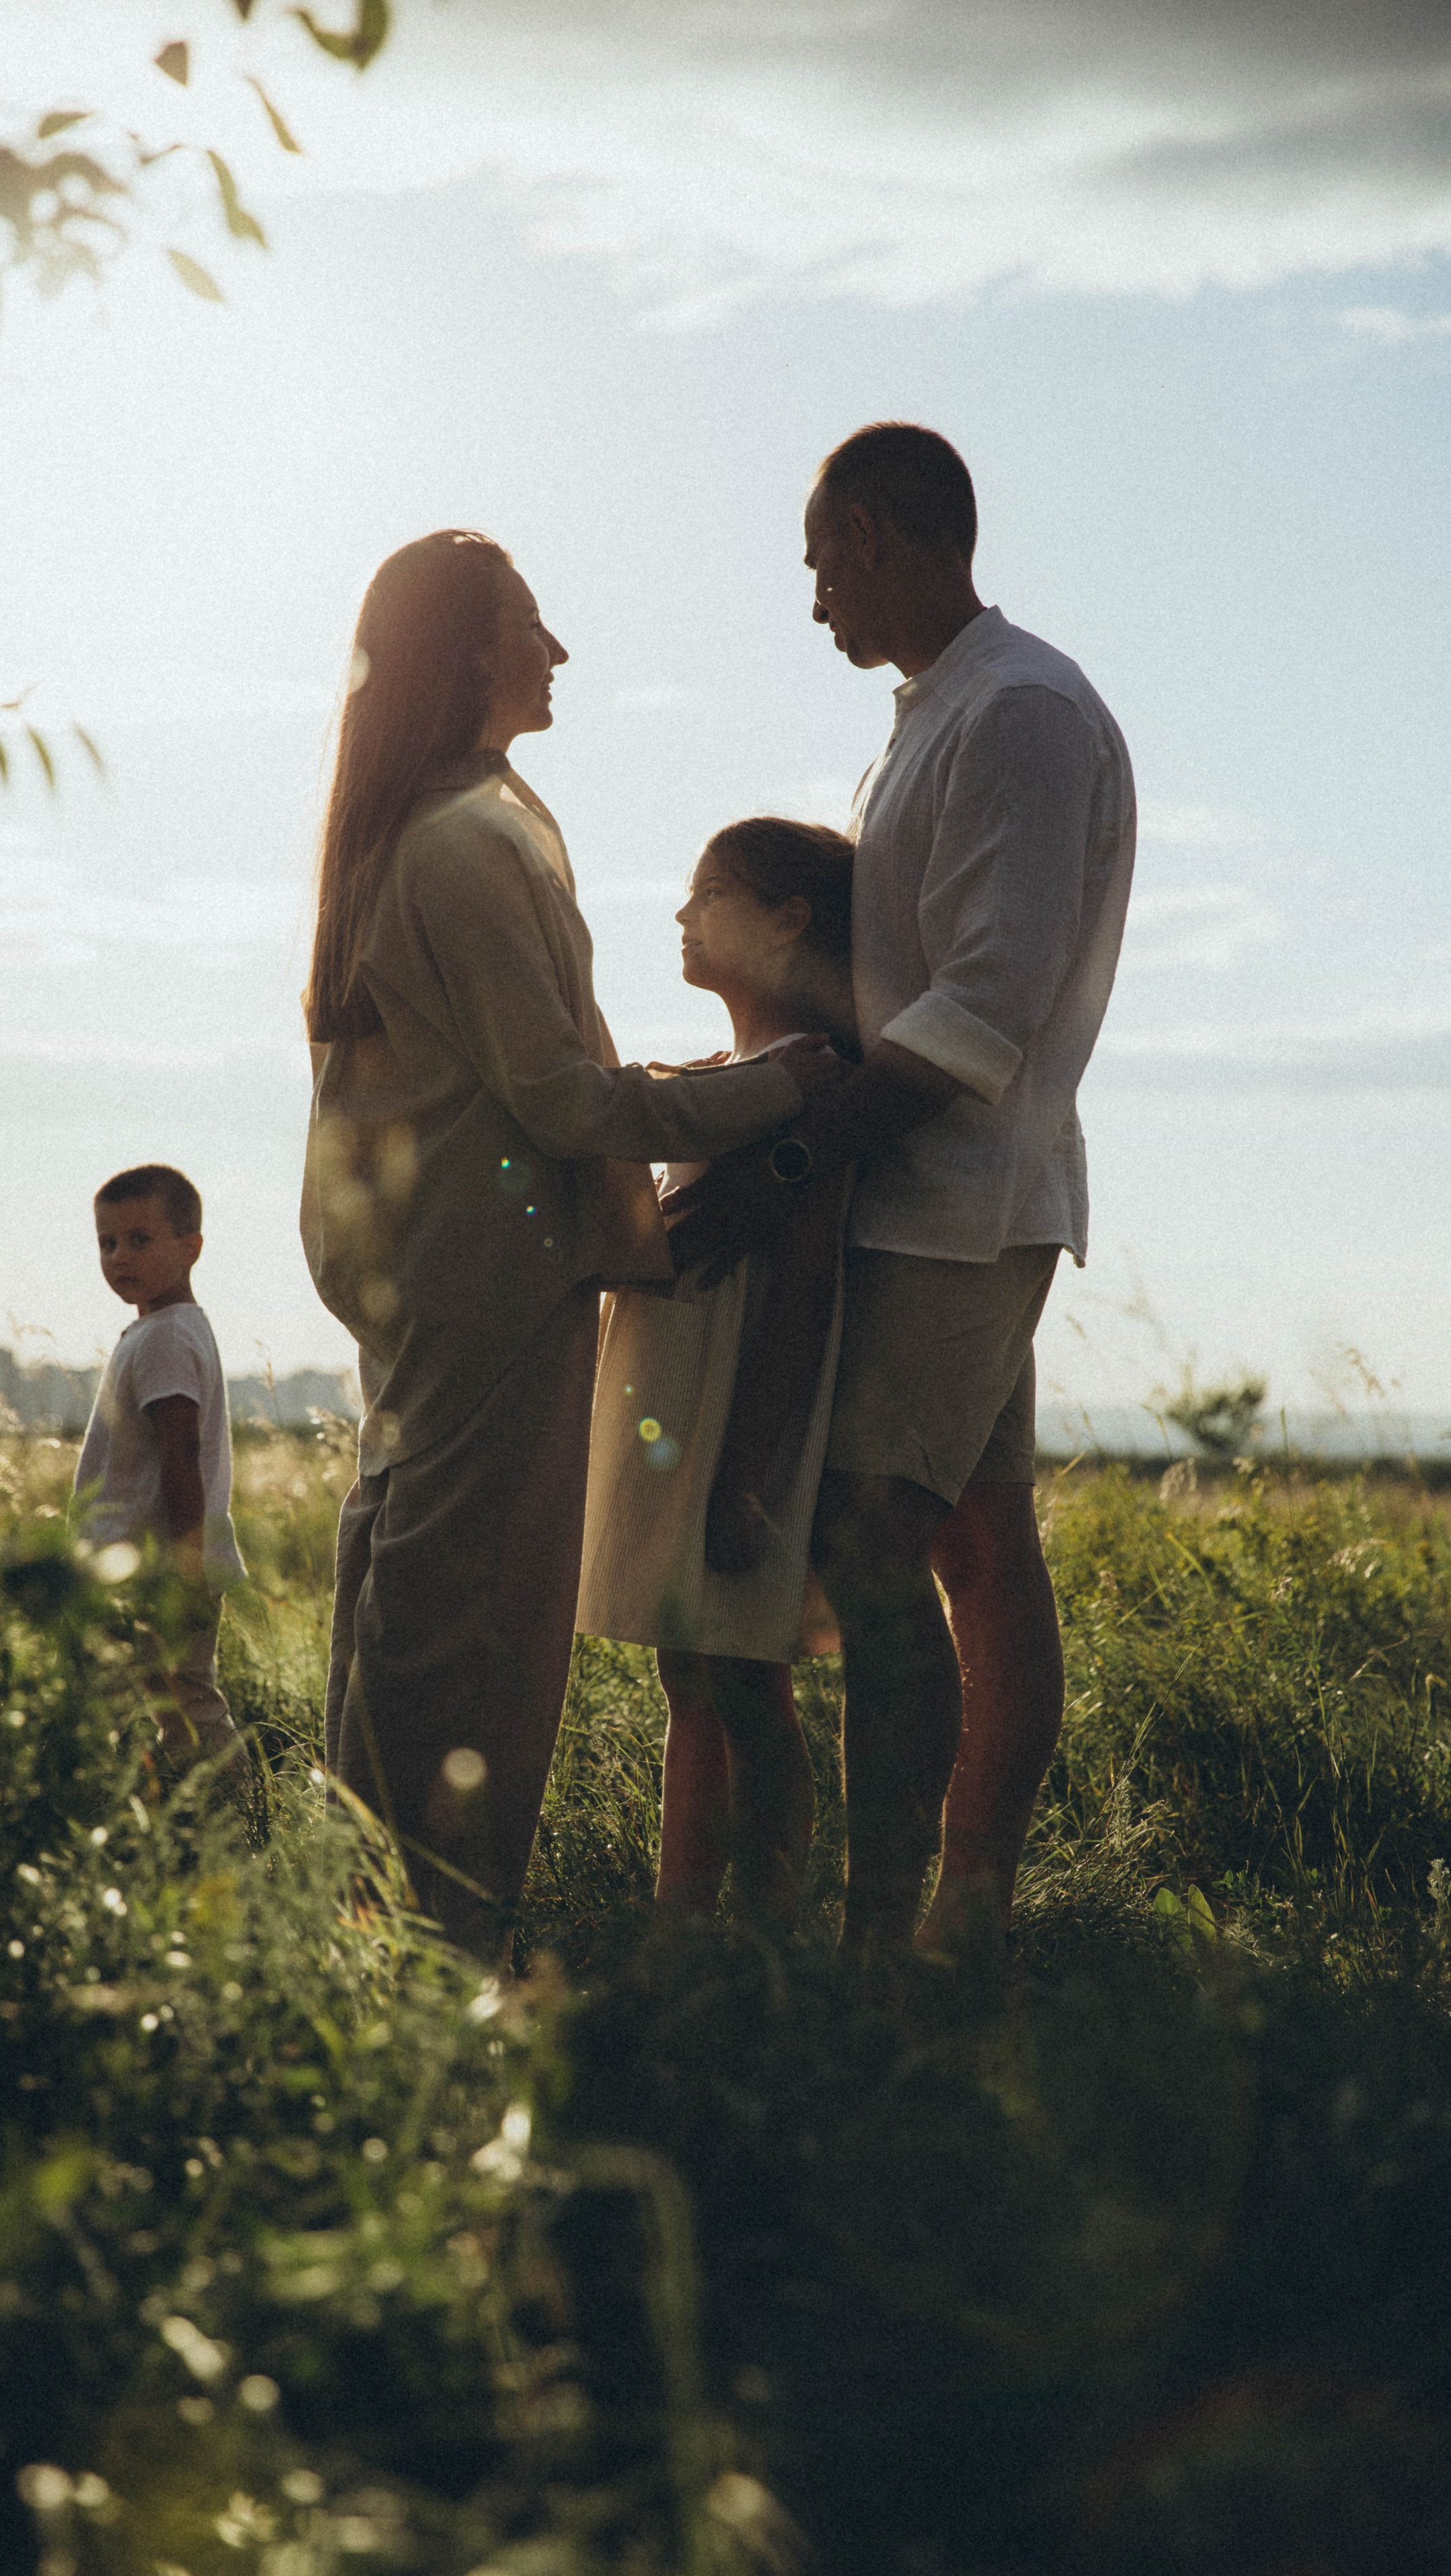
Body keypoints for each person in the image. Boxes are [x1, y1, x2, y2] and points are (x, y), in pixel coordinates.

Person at [301, 530, 843, 1960]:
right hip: (485, 1274)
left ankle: (373, 1931)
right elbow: (559, 1096)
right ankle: (430, 1947)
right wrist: (778, 1090)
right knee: (473, 1628)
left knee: (411, 1598)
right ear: (467, 651)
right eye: (530, 625)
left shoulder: (438, 824)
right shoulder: (468, 839)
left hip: (429, 1269)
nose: (556, 651)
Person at [668, 423, 1136, 1961]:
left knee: (874, 1552)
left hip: (959, 1202)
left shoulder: (1017, 710)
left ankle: (888, 1940)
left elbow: (985, 1002)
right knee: (977, 1550)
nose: (813, 597)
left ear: (871, 535)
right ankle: (959, 1913)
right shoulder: (929, 721)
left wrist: (793, 1158)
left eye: (819, 563)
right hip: (915, 1193)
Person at [577, 816, 857, 1927]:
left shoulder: (811, 1080)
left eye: (710, 894)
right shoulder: (718, 1079)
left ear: (788, 921)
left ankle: (767, 1922)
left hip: (733, 1424)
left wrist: (748, 1471)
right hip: (676, 1414)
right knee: (689, 1675)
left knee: (744, 1677)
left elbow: (804, 1291)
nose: (683, 914)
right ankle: (684, 1918)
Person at [74, 1163, 252, 1794]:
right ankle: (188, 1809)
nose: (120, 1256)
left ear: (191, 1248)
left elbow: (181, 1454)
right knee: (168, 1705)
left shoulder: (167, 1338)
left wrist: (186, 1564)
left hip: (160, 1568)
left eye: (140, 1240)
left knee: (187, 1703)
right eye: (107, 1242)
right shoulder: (162, 1329)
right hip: (143, 1566)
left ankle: (237, 1813)